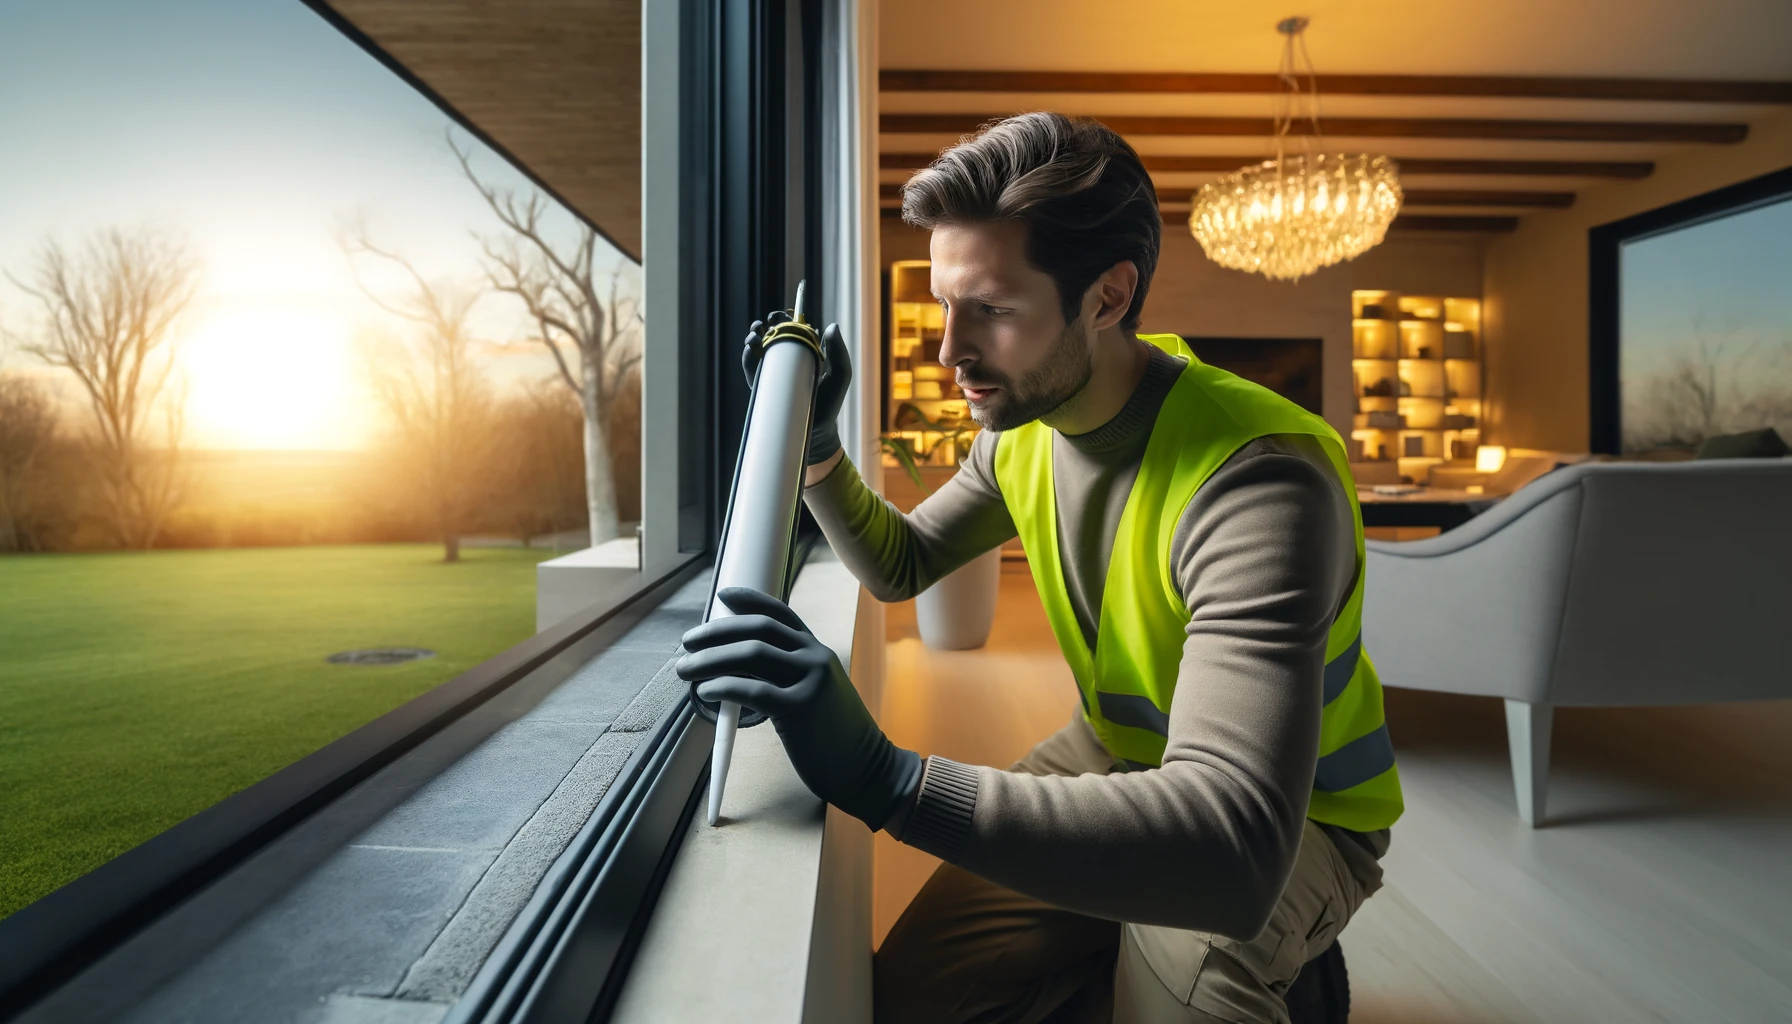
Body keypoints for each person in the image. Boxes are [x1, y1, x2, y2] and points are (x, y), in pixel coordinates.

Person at [676, 112, 1402, 1024]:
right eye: (947, 304)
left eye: (993, 309)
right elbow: (901, 564)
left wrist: (887, 781)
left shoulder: (1258, 480)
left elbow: (1230, 841)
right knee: (912, 1000)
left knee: (1185, 996)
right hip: (1111, 756)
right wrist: (816, 445)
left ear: (1107, 296)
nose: (950, 350)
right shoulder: (1029, 432)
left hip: (1293, 817)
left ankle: (1297, 973)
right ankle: (1113, 957)